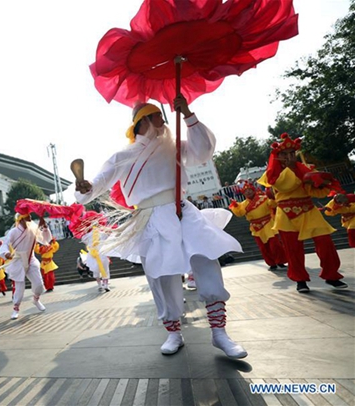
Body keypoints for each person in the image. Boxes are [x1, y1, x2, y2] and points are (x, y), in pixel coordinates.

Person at [75, 95, 247, 359]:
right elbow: (96, 185)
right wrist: (85, 188)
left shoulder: (175, 145)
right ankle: (173, 333)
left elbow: (203, 152)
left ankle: (219, 332)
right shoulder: (121, 156)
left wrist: (188, 114)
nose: (163, 121)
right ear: (143, 121)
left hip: (182, 210)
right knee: (161, 275)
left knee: (205, 260)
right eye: (157, 116)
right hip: (149, 217)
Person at [257, 133, 347, 293]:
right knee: (293, 249)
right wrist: (295, 170)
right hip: (286, 213)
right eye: (284, 154)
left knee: (325, 242)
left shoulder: (307, 168)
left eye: (292, 153)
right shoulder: (272, 174)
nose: (289, 156)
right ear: (277, 156)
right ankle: (300, 280)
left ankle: (331, 275)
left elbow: (316, 193)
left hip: (308, 209)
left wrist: (325, 187)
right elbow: (284, 186)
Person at [0, 214, 50, 320]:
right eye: (28, 217)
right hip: (18, 261)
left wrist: (45, 228)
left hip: (31, 259)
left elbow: (45, 240)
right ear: (21, 219)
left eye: (30, 217)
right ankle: (16, 308)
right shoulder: (13, 231)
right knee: (19, 288)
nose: (30, 219)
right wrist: (6, 253)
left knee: (39, 284)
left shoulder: (33, 229)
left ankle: (36, 299)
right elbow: (5, 244)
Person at [229, 181, 287, 270]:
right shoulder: (243, 204)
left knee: (275, 244)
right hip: (256, 227)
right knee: (263, 247)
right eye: (245, 191)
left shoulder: (263, 198)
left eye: (249, 190)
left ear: (253, 190)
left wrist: (272, 196)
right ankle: (272, 263)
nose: (248, 192)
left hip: (268, 224)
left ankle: (280, 261)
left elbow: (273, 204)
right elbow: (240, 213)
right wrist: (235, 205)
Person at [71, 211, 111, 292]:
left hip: (100, 253)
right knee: (100, 269)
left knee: (101, 269)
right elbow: (107, 236)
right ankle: (102, 285)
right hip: (96, 253)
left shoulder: (99, 233)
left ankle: (103, 285)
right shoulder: (96, 233)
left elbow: (107, 237)